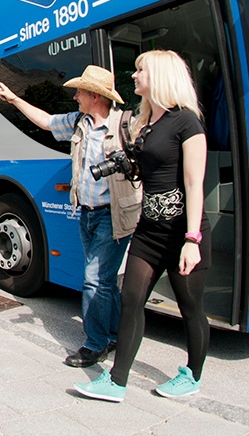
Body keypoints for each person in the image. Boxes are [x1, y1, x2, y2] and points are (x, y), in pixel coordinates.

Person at [74, 50, 210, 402]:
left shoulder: (187, 123)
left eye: (140, 70)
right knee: (131, 299)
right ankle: (116, 381)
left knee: (191, 308)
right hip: (149, 230)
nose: (133, 76)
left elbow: (195, 184)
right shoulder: (147, 123)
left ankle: (192, 375)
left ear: (161, 76)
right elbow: (147, 172)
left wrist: (192, 239)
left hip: (182, 231)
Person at [0, 65, 141, 367]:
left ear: (96, 97)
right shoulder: (79, 123)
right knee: (106, 281)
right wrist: (14, 100)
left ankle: (95, 344)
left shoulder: (126, 126)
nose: (75, 96)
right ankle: (113, 334)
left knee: (94, 279)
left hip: (112, 216)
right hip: (87, 214)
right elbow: (46, 122)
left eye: (80, 92)